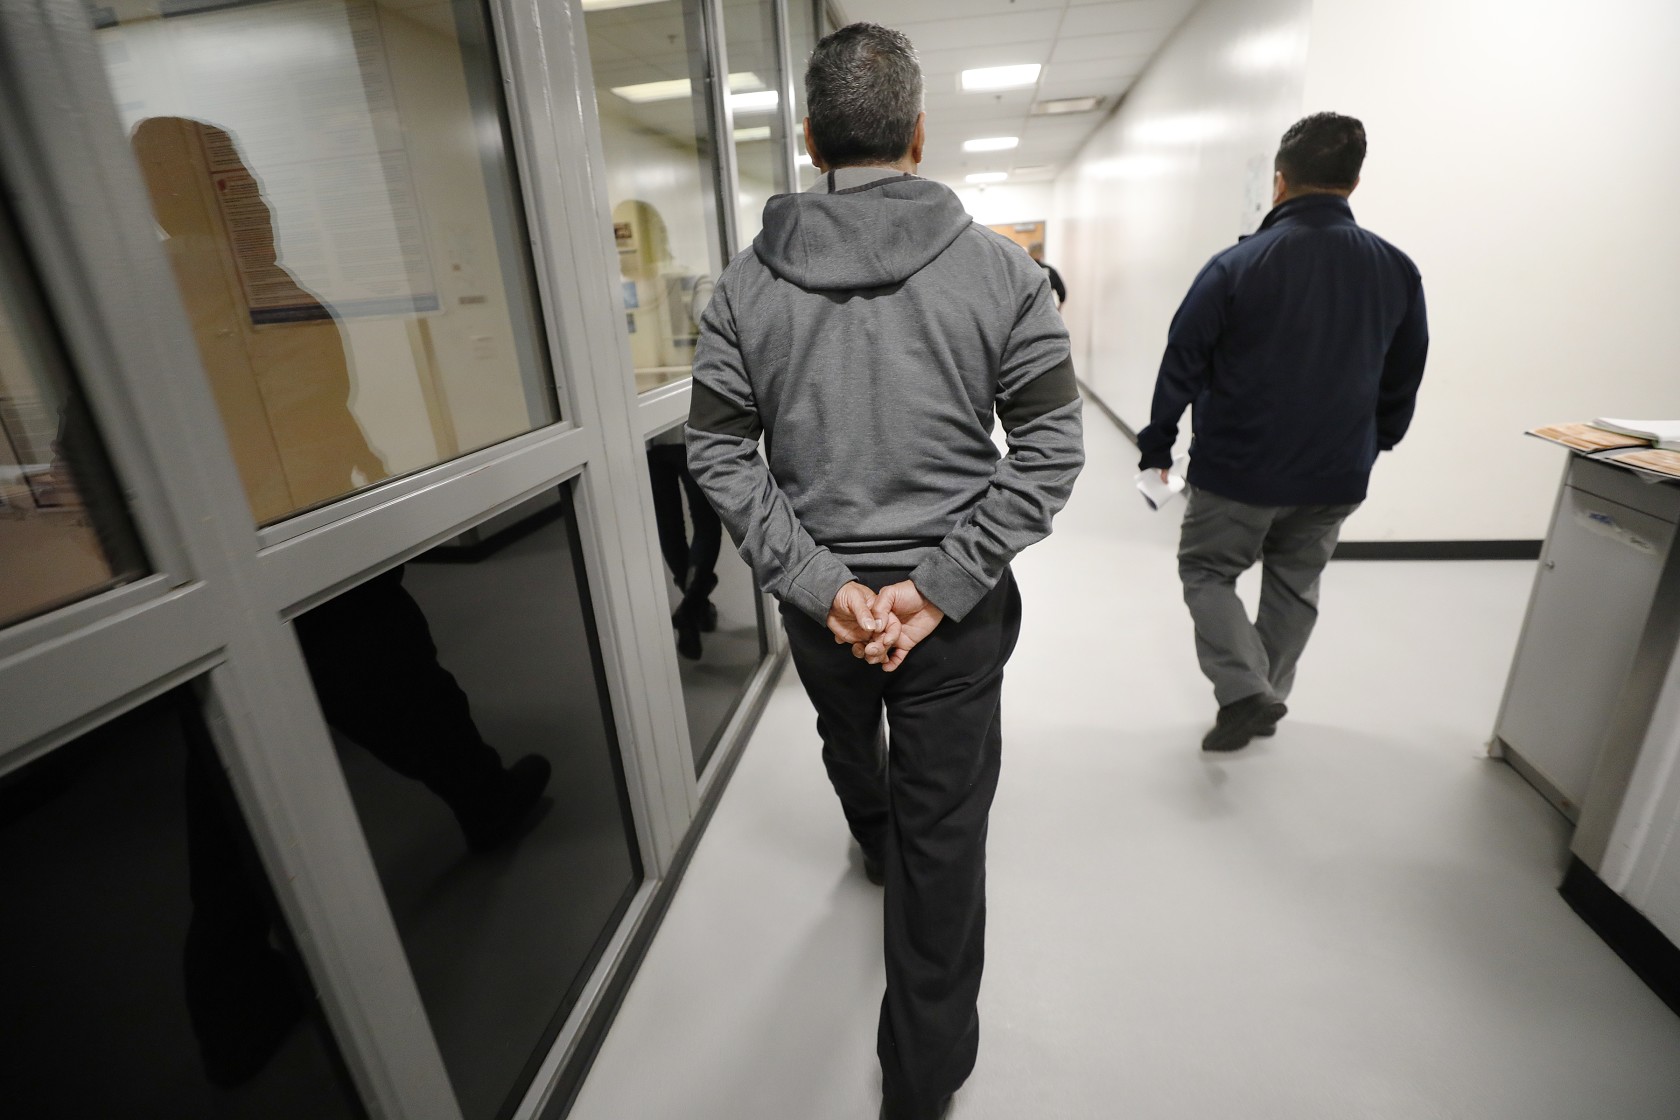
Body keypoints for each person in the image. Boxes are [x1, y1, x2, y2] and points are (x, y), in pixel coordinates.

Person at [685, 23, 1083, 1120]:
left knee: (843, 729)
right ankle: (921, 1083)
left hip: (827, 611)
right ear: (919, 133)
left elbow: (717, 448)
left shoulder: (741, 290)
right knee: (944, 838)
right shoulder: (1003, 270)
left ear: (810, 137)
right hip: (954, 617)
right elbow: (1052, 446)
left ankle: (870, 841)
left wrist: (824, 585)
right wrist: (937, 586)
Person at [1135, 111, 1429, 753]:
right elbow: (1405, 372)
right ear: (1353, 182)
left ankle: (1245, 693)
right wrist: (1378, 441)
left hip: (1242, 469)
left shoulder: (1238, 265)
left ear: (1279, 183)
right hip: (1337, 470)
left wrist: (1156, 443)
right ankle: (1261, 693)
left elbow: (1182, 357)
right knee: (1296, 585)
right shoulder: (1396, 268)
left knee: (1207, 571)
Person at [1026, 241, 1066, 308]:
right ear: (1041, 254)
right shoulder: (1050, 270)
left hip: (1026, 312)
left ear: (1029, 253)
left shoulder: (1024, 270)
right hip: (1046, 311)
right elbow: (1062, 293)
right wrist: (1058, 309)